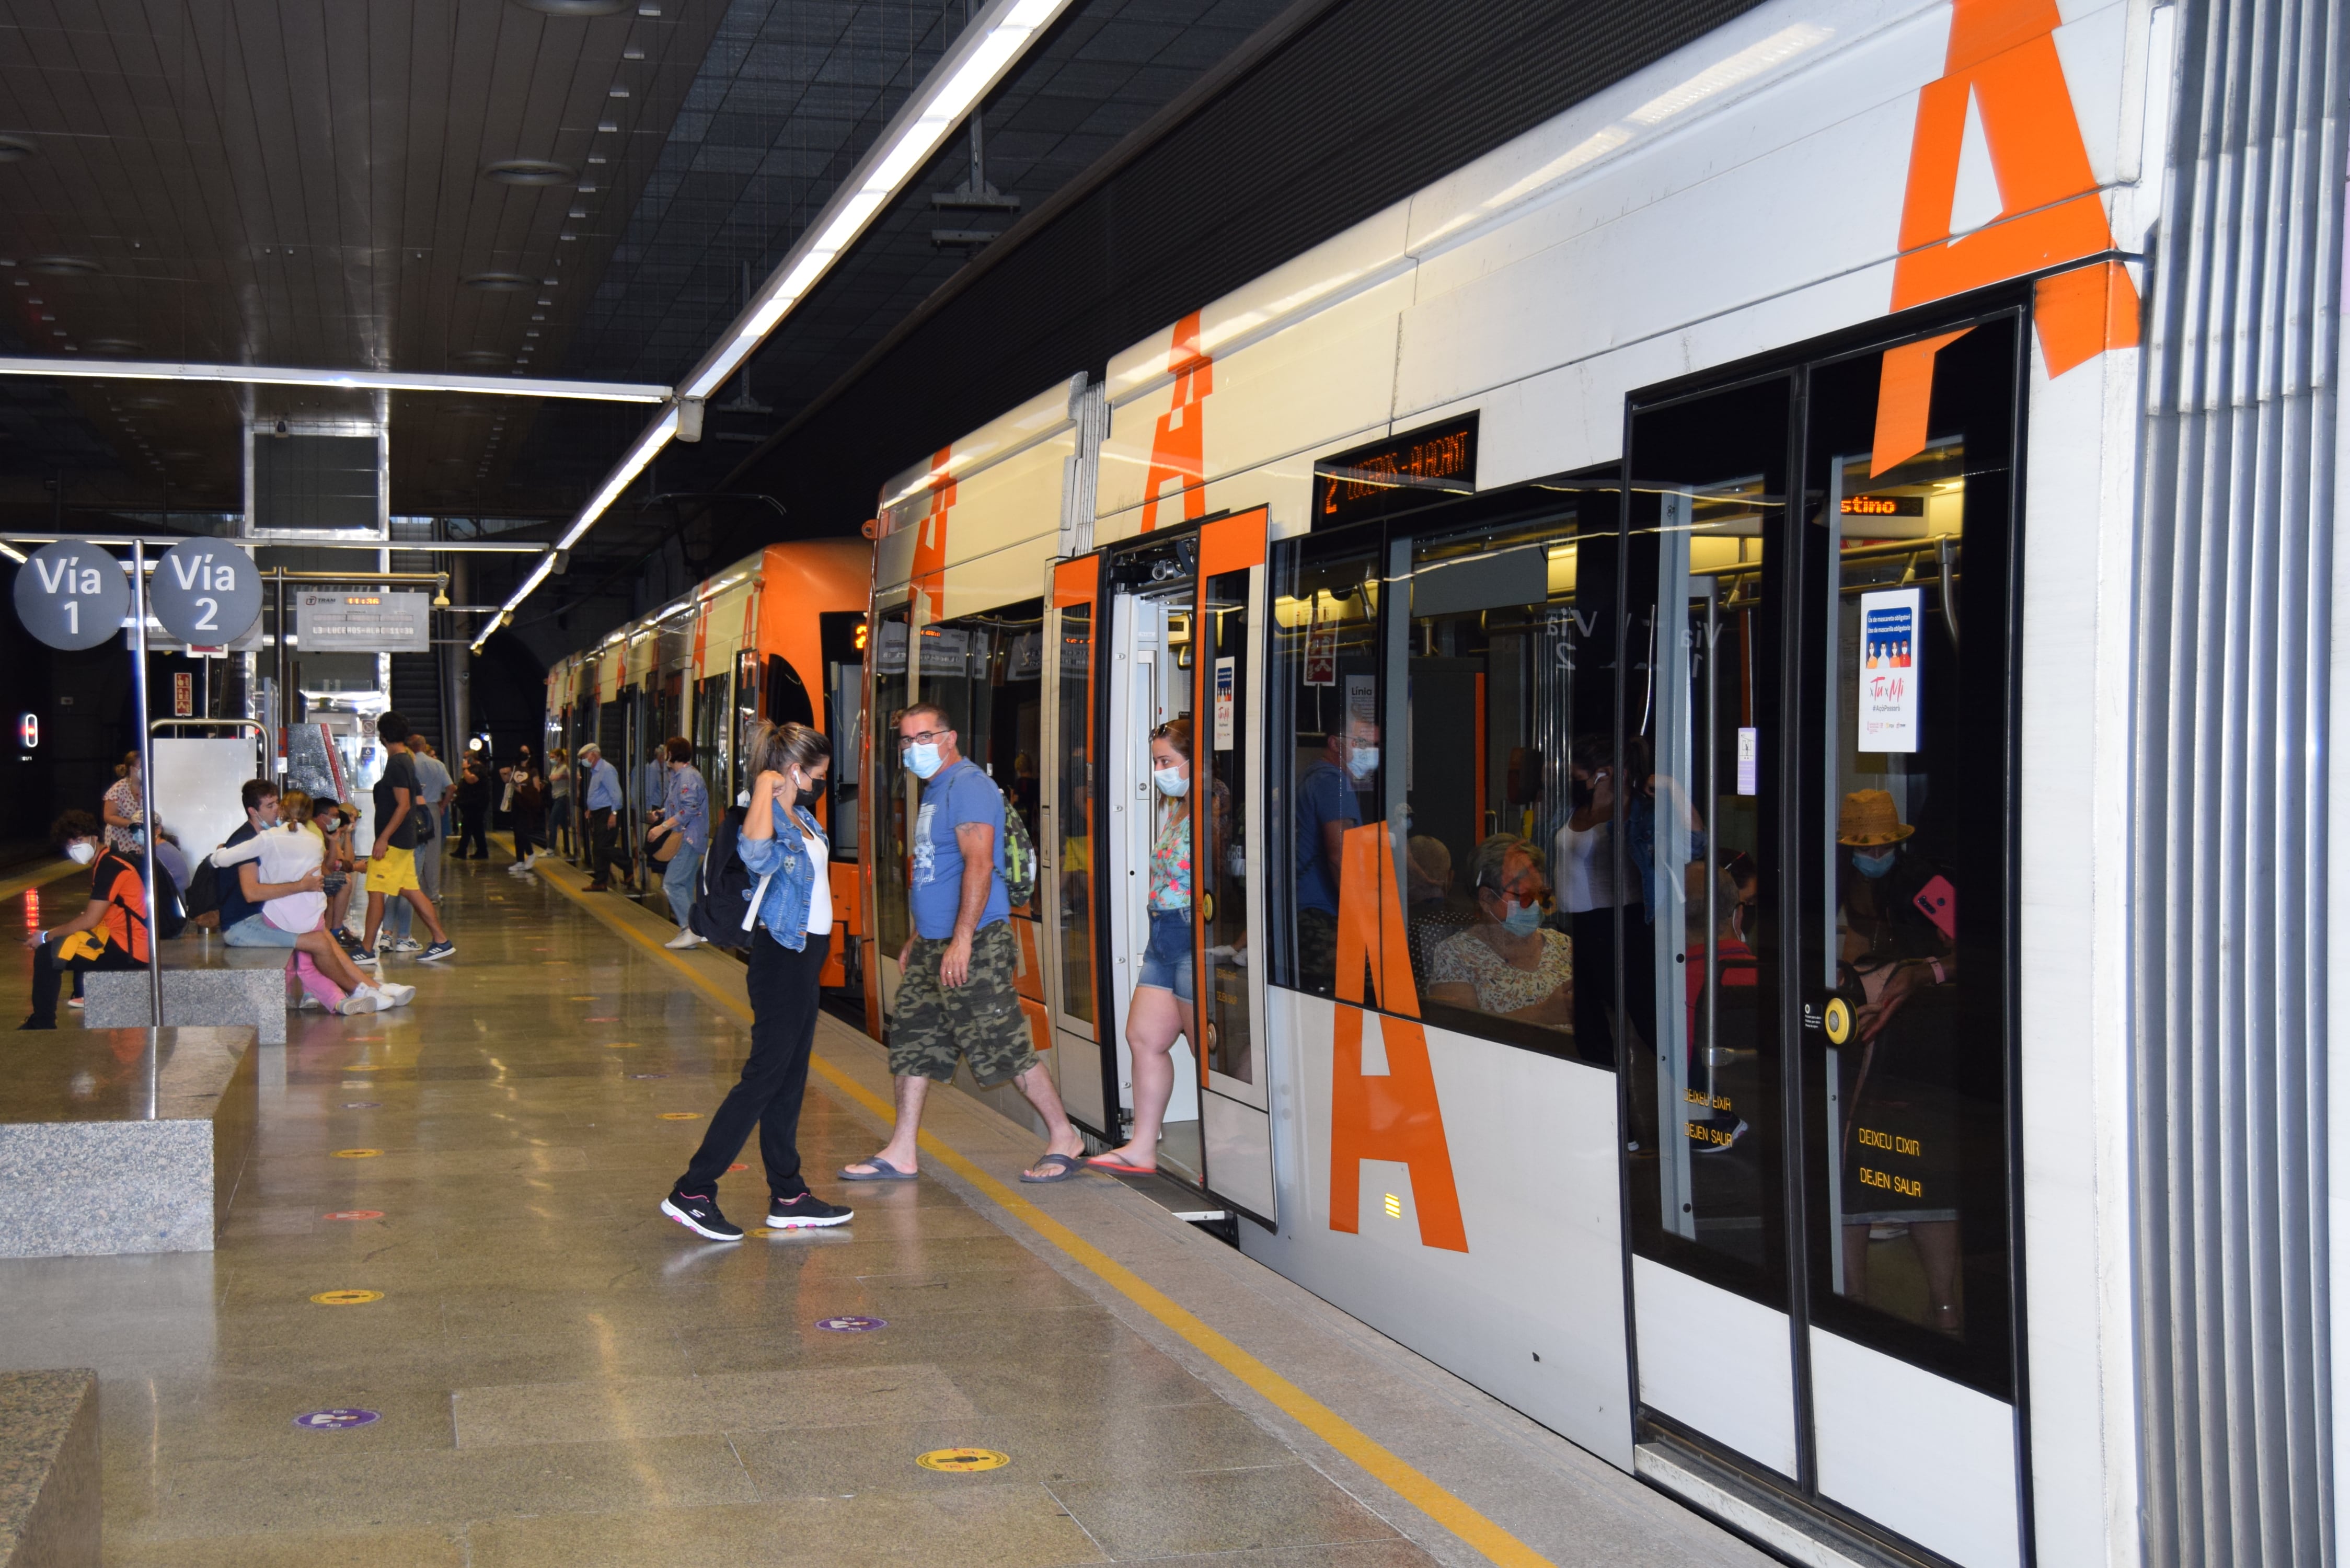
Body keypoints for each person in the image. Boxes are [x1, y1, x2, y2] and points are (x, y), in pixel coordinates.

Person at [839, 704, 1086, 1185]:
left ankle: (1065, 1137)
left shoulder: (969, 786)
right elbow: (938, 871)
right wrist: (919, 935)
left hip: (974, 941)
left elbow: (978, 865)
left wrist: (962, 941)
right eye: (907, 741)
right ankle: (902, 1151)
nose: (914, 748)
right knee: (912, 1043)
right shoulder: (935, 790)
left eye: (924, 737)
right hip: (936, 942)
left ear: (949, 738)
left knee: (1003, 1042)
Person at [660, 721, 857, 1240]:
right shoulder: (765, 813)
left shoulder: (801, 815)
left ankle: (788, 1193)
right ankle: (694, 1189)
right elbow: (752, 854)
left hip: (804, 959)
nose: (822, 780)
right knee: (762, 1080)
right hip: (781, 959)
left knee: (788, 1082)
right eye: (817, 772)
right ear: (795, 770)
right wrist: (767, 794)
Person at [1088, 720, 1196, 1175]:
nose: (1159, 771)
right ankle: (1142, 1146)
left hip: (1193, 935)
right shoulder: (1179, 806)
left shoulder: (1215, 807)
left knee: (1205, 1049)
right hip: (1164, 934)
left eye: (1166, 761)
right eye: (1156, 761)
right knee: (1144, 1037)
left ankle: (1232, 1150)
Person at [213, 790, 406, 1013]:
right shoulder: (259, 840)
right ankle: (356, 991)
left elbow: (231, 864)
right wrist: (302, 886)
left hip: (271, 915)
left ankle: (362, 990)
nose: (275, 809)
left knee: (316, 950)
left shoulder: (267, 838)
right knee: (318, 947)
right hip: (250, 922)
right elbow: (252, 893)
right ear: (252, 811)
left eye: (277, 804)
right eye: (270, 805)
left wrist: (216, 856)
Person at [1425, 835, 1573, 1032]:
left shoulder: (1564, 946)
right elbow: (1457, 1034)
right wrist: (1544, 1013)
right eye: (1525, 896)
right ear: (1487, 898)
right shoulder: (1455, 955)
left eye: (1541, 893)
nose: (1537, 905)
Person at [20, 811, 148, 1029]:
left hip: (130, 949)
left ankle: (43, 1022)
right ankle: (72, 999)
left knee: (47, 954)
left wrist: (45, 936)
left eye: (79, 840)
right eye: (70, 845)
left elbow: (90, 920)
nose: (75, 848)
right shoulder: (105, 862)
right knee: (71, 942)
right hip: (122, 940)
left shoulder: (110, 866)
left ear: (94, 837)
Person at [361, 711, 455, 961]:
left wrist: (383, 839)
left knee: (376, 892)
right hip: (403, 841)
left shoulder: (397, 763)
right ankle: (441, 940)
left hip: (394, 842)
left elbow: (403, 805)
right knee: (411, 890)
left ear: (382, 737)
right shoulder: (404, 761)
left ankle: (367, 950)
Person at [1294, 714, 1378, 994]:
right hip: (1324, 916)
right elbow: (1339, 855)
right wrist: (1360, 917)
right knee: (1358, 993)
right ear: (1334, 744)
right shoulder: (1333, 784)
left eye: (1374, 744)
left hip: (1307, 910)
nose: (1371, 751)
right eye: (1363, 743)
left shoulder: (1314, 777)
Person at [387, 738, 453, 951]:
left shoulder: (400, 770)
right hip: (428, 812)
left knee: (399, 881)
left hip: (401, 824)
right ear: (423, 747)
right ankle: (432, 893)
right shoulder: (437, 765)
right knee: (430, 857)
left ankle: (387, 934)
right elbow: (451, 787)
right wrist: (443, 805)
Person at [649, 736, 710, 947]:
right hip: (688, 837)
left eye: (667, 751)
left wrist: (662, 827)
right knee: (683, 885)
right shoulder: (681, 776)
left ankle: (691, 929)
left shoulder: (687, 777)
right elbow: (681, 805)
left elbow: (690, 809)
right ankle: (690, 935)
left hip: (689, 838)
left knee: (672, 883)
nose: (664, 755)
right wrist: (662, 813)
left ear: (673, 753)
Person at [580, 742, 624, 890]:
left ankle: (627, 863)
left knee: (602, 847)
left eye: (585, 757)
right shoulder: (596, 772)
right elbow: (599, 793)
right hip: (599, 814)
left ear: (593, 755)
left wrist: (614, 814)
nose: (584, 761)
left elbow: (617, 794)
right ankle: (600, 882)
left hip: (607, 813)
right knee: (599, 848)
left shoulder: (607, 770)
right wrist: (591, 809)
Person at [503, 745, 546, 871]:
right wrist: (503, 774)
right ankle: (520, 860)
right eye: (521, 751)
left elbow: (537, 789)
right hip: (516, 804)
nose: (523, 753)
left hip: (527, 805)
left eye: (526, 751)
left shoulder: (533, 770)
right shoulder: (514, 767)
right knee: (517, 832)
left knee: (522, 831)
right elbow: (508, 781)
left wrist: (522, 790)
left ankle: (531, 854)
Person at [101, 751, 145, 857]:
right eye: (141, 765)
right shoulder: (118, 789)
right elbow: (108, 816)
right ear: (131, 768)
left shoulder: (148, 787)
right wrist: (131, 824)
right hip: (121, 842)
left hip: (142, 843)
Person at [454, 751, 491, 859]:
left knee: (469, 826)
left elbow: (471, 780)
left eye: (466, 758)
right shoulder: (473, 769)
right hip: (471, 803)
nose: (464, 761)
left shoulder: (479, 769)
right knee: (475, 828)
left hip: (476, 804)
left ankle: (463, 850)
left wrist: (465, 769)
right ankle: (480, 851)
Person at [547, 747, 573, 856]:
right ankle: (567, 847)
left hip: (562, 798)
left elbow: (573, 777)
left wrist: (561, 777)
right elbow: (552, 778)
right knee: (563, 824)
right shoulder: (555, 768)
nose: (551, 759)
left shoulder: (564, 768)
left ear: (559, 757)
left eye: (553, 757)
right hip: (556, 797)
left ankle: (551, 849)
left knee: (553, 822)